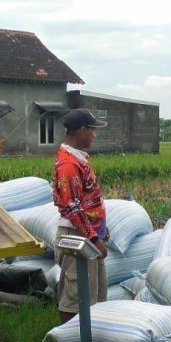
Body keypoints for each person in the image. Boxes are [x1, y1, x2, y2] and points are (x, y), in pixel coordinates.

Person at [52, 108, 109, 324]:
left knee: (94, 294)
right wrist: (93, 238)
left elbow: (87, 201)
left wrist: (101, 229)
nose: (95, 135)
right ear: (82, 130)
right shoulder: (68, 164)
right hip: (77, 236)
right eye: (93, 130)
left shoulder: (79, 159)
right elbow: (72, 208)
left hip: (88, 233)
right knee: (75, 296)